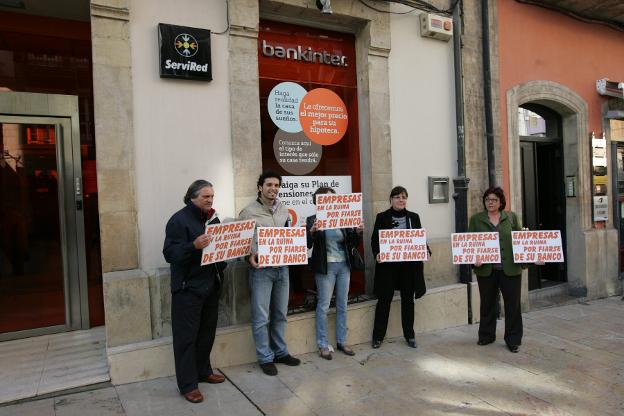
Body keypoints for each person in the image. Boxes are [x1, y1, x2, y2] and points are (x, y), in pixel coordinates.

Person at [163, 180, 227, 403]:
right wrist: (193, 246)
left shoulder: (213, 219)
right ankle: (188, 385)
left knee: (206, 333)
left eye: (212, 196)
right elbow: (170, 253)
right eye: (205, 197)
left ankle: (203, 371)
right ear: (192, 197)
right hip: (187, 289)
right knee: (186, 339)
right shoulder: (178, 220)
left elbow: (219, 248)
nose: (210, 200)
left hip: (210, 285)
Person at [239, 171, 301, 376]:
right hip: (262, 272)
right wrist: (249, 255)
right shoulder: (248, 212)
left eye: (276, 185)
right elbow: (242, 242)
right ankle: (265, 357)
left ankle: (280, 352)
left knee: (280, 314)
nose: (273, 188)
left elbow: (288, 236)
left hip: (283, 269)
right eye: (269, 185)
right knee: (261, 317)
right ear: (260, 187)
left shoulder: (283, 209)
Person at [469, 186, 530, 353]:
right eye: (487, 200)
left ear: (501, 202)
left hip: (510, 269)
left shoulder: (511, 218)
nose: (490, 202)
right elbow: (469, 243)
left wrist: (532, 257)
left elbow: (521, 242)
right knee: (487, 304)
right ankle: (486, 335)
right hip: (487, 270)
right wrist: (474, 261)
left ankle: (513, 339)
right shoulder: (476, 219)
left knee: (513, 306)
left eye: (494, 200)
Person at [306, 187, 363, 360]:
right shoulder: (312, 220)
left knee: (342, 304)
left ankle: (342, 341)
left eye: (333, 198)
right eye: (326, 198)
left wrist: (358, 232)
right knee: (323, 306)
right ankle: (323, 344)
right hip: (326, 268)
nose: (330, 201)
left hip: (344, 266)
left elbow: (353, 243)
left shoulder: (343, 218)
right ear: (318, 201)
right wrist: (312, 232)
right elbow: (307, 244)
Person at [371, 186, 427, 349]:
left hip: (408, 268)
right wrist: (377, 254)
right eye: (397, 197)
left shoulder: (414, 217)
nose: (401, 200)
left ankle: (409, 335)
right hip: (388, 268)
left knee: (408, 301)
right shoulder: (382, 217)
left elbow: (420, 239)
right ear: (391, 200)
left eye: (403, 197)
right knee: (384, 300)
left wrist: (426, 250)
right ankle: (378, 336)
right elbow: (375, 240)